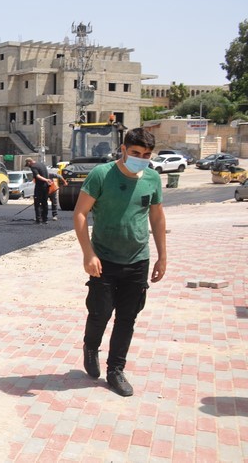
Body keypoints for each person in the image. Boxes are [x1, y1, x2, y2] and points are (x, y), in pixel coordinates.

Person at [73, 128, 167, 397]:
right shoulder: (101, 175)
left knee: (127, 318)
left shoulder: (152, 178)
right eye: (135, 153)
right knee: (100, 312)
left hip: (138, 260)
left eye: (146, 155)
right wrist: (88, 253)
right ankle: (91, 347)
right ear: (123, 149)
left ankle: (116, 370)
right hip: (103, 259)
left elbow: (157, 217)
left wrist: (162, 256)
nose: (141, 158)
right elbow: (80, 214)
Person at [25, 157, 52, 224]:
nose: (29, 166)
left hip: (40, 186)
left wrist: (46, 180)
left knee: (37, 203)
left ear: (29, 162)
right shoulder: (42, 164)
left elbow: (37, 176)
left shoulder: (33, 167)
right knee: (44, 202)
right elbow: (47, 174)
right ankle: (45, 219)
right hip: (46, 186)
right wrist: (47, 180)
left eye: (28, 165)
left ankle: (38, 219)